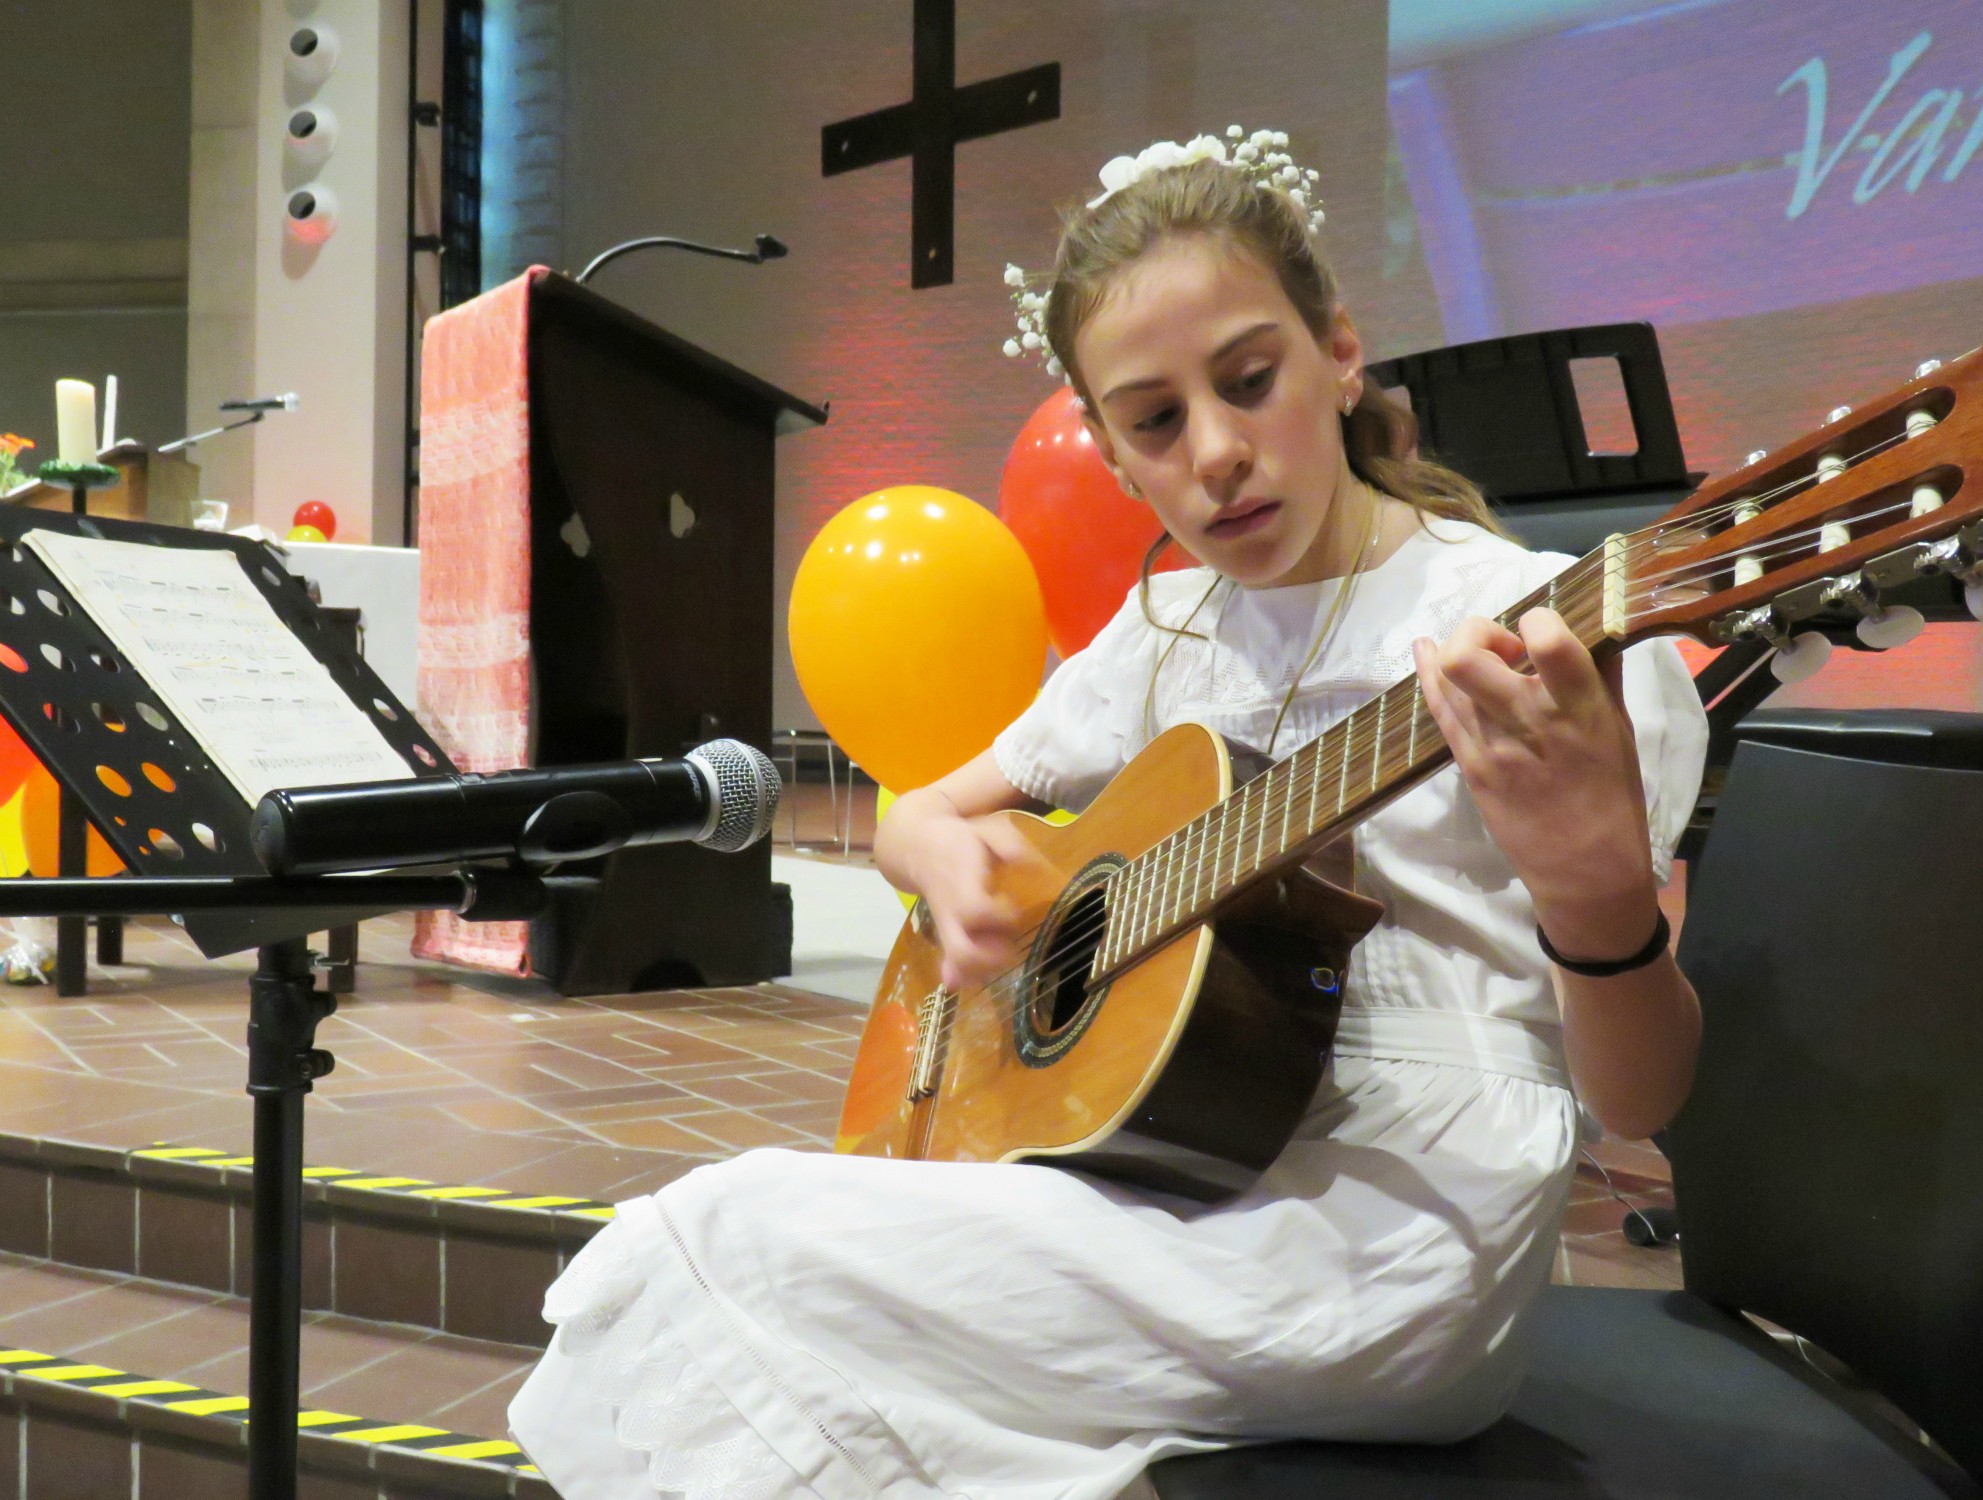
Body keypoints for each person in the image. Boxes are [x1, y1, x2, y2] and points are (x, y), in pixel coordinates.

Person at [508, 130, 1708, 1500]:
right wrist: (941, 856)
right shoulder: (1167, 630)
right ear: (1115, 457)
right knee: (766, 1262)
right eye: (1152, 421)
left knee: (732, 1242)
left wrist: (1599, 898)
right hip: (1178, 1160)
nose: (1216, 453)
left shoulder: (1531, 637)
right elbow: (918, 812)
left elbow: (1641, 1099)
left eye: (1252, 382)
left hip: (1399, 1234)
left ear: (1339, 351)